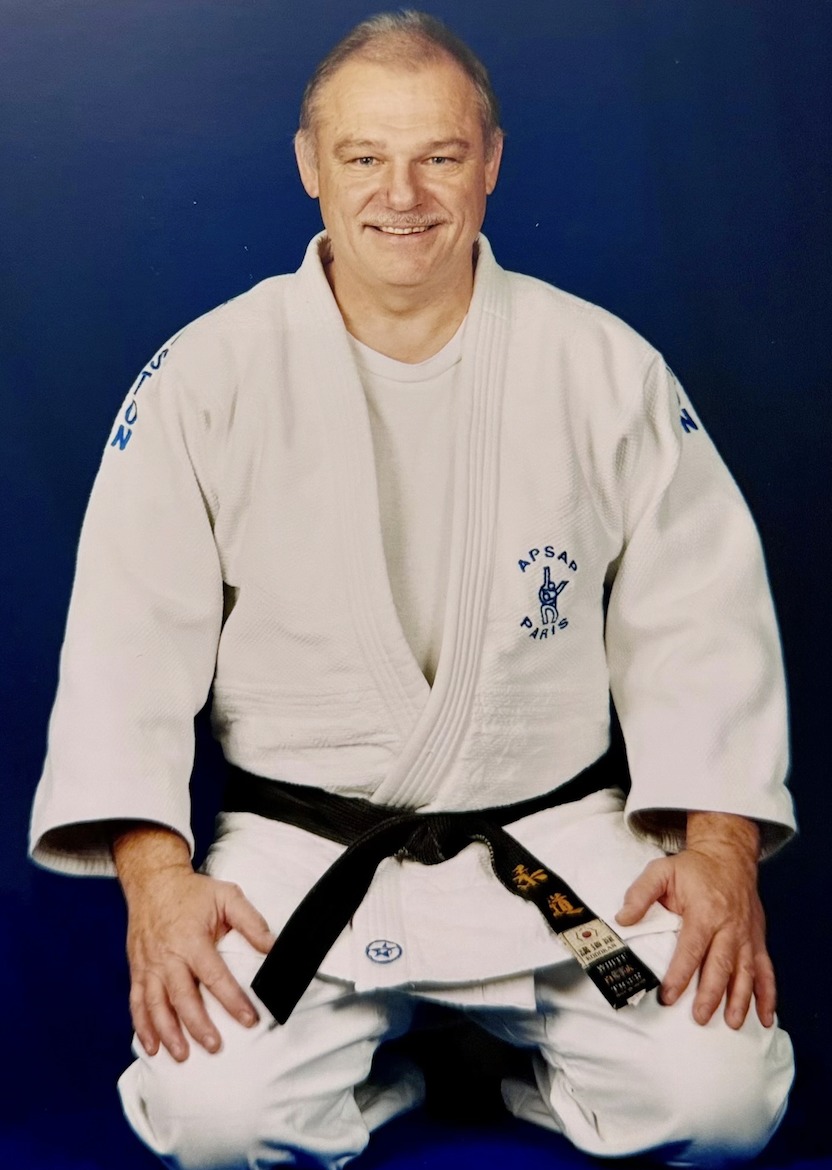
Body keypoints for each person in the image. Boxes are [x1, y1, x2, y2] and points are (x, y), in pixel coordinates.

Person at [30, 10, 796, 1169]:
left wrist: (720, 853)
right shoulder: (207, 375)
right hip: (299, 853)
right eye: (364, 157)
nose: (403, 194)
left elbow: (704, 623)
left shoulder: (601, 366)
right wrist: (157, 881)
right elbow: (122, 648)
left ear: (490, 162)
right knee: (213, 1122)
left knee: (722, 1103)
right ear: (310, 165)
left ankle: (516, 1075)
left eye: (439, 155)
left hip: (553, 842)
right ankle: (394, 1077)